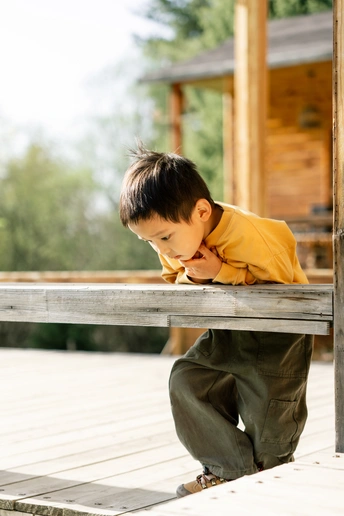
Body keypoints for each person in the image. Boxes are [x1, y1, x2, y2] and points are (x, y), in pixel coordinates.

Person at [119, 143, 313, 498]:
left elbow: (284, 283)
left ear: (201, 211)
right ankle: (230, 468)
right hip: (229, 327)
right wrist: (197, 276)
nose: (162, 249)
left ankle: (269, 481)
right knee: (189, 380)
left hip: (278, 334)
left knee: (269, 425)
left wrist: (222, 270)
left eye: (164, 236)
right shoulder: (178, 244)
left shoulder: (249, 234)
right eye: (149, 242)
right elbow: (174, 278)